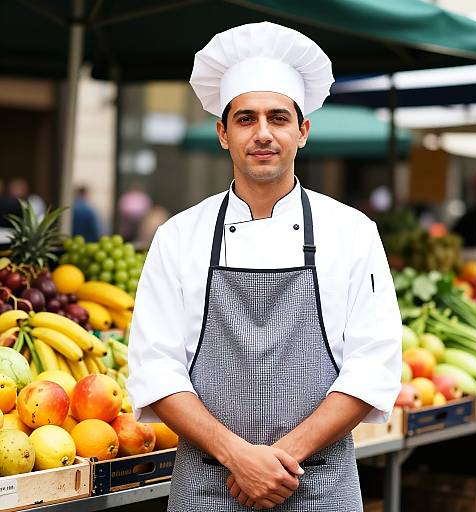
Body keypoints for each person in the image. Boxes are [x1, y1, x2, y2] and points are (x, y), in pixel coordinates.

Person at [127, 22, 401, 511]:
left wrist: (278, 460)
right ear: (222, 133)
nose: (263, 134)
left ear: (303, 130)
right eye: (246, 119)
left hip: (319, 483)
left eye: (278, 117)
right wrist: (237, 457)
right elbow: (156, 369)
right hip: (209, 485)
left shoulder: (352, 233)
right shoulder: (178, 238)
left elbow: (373, 366)